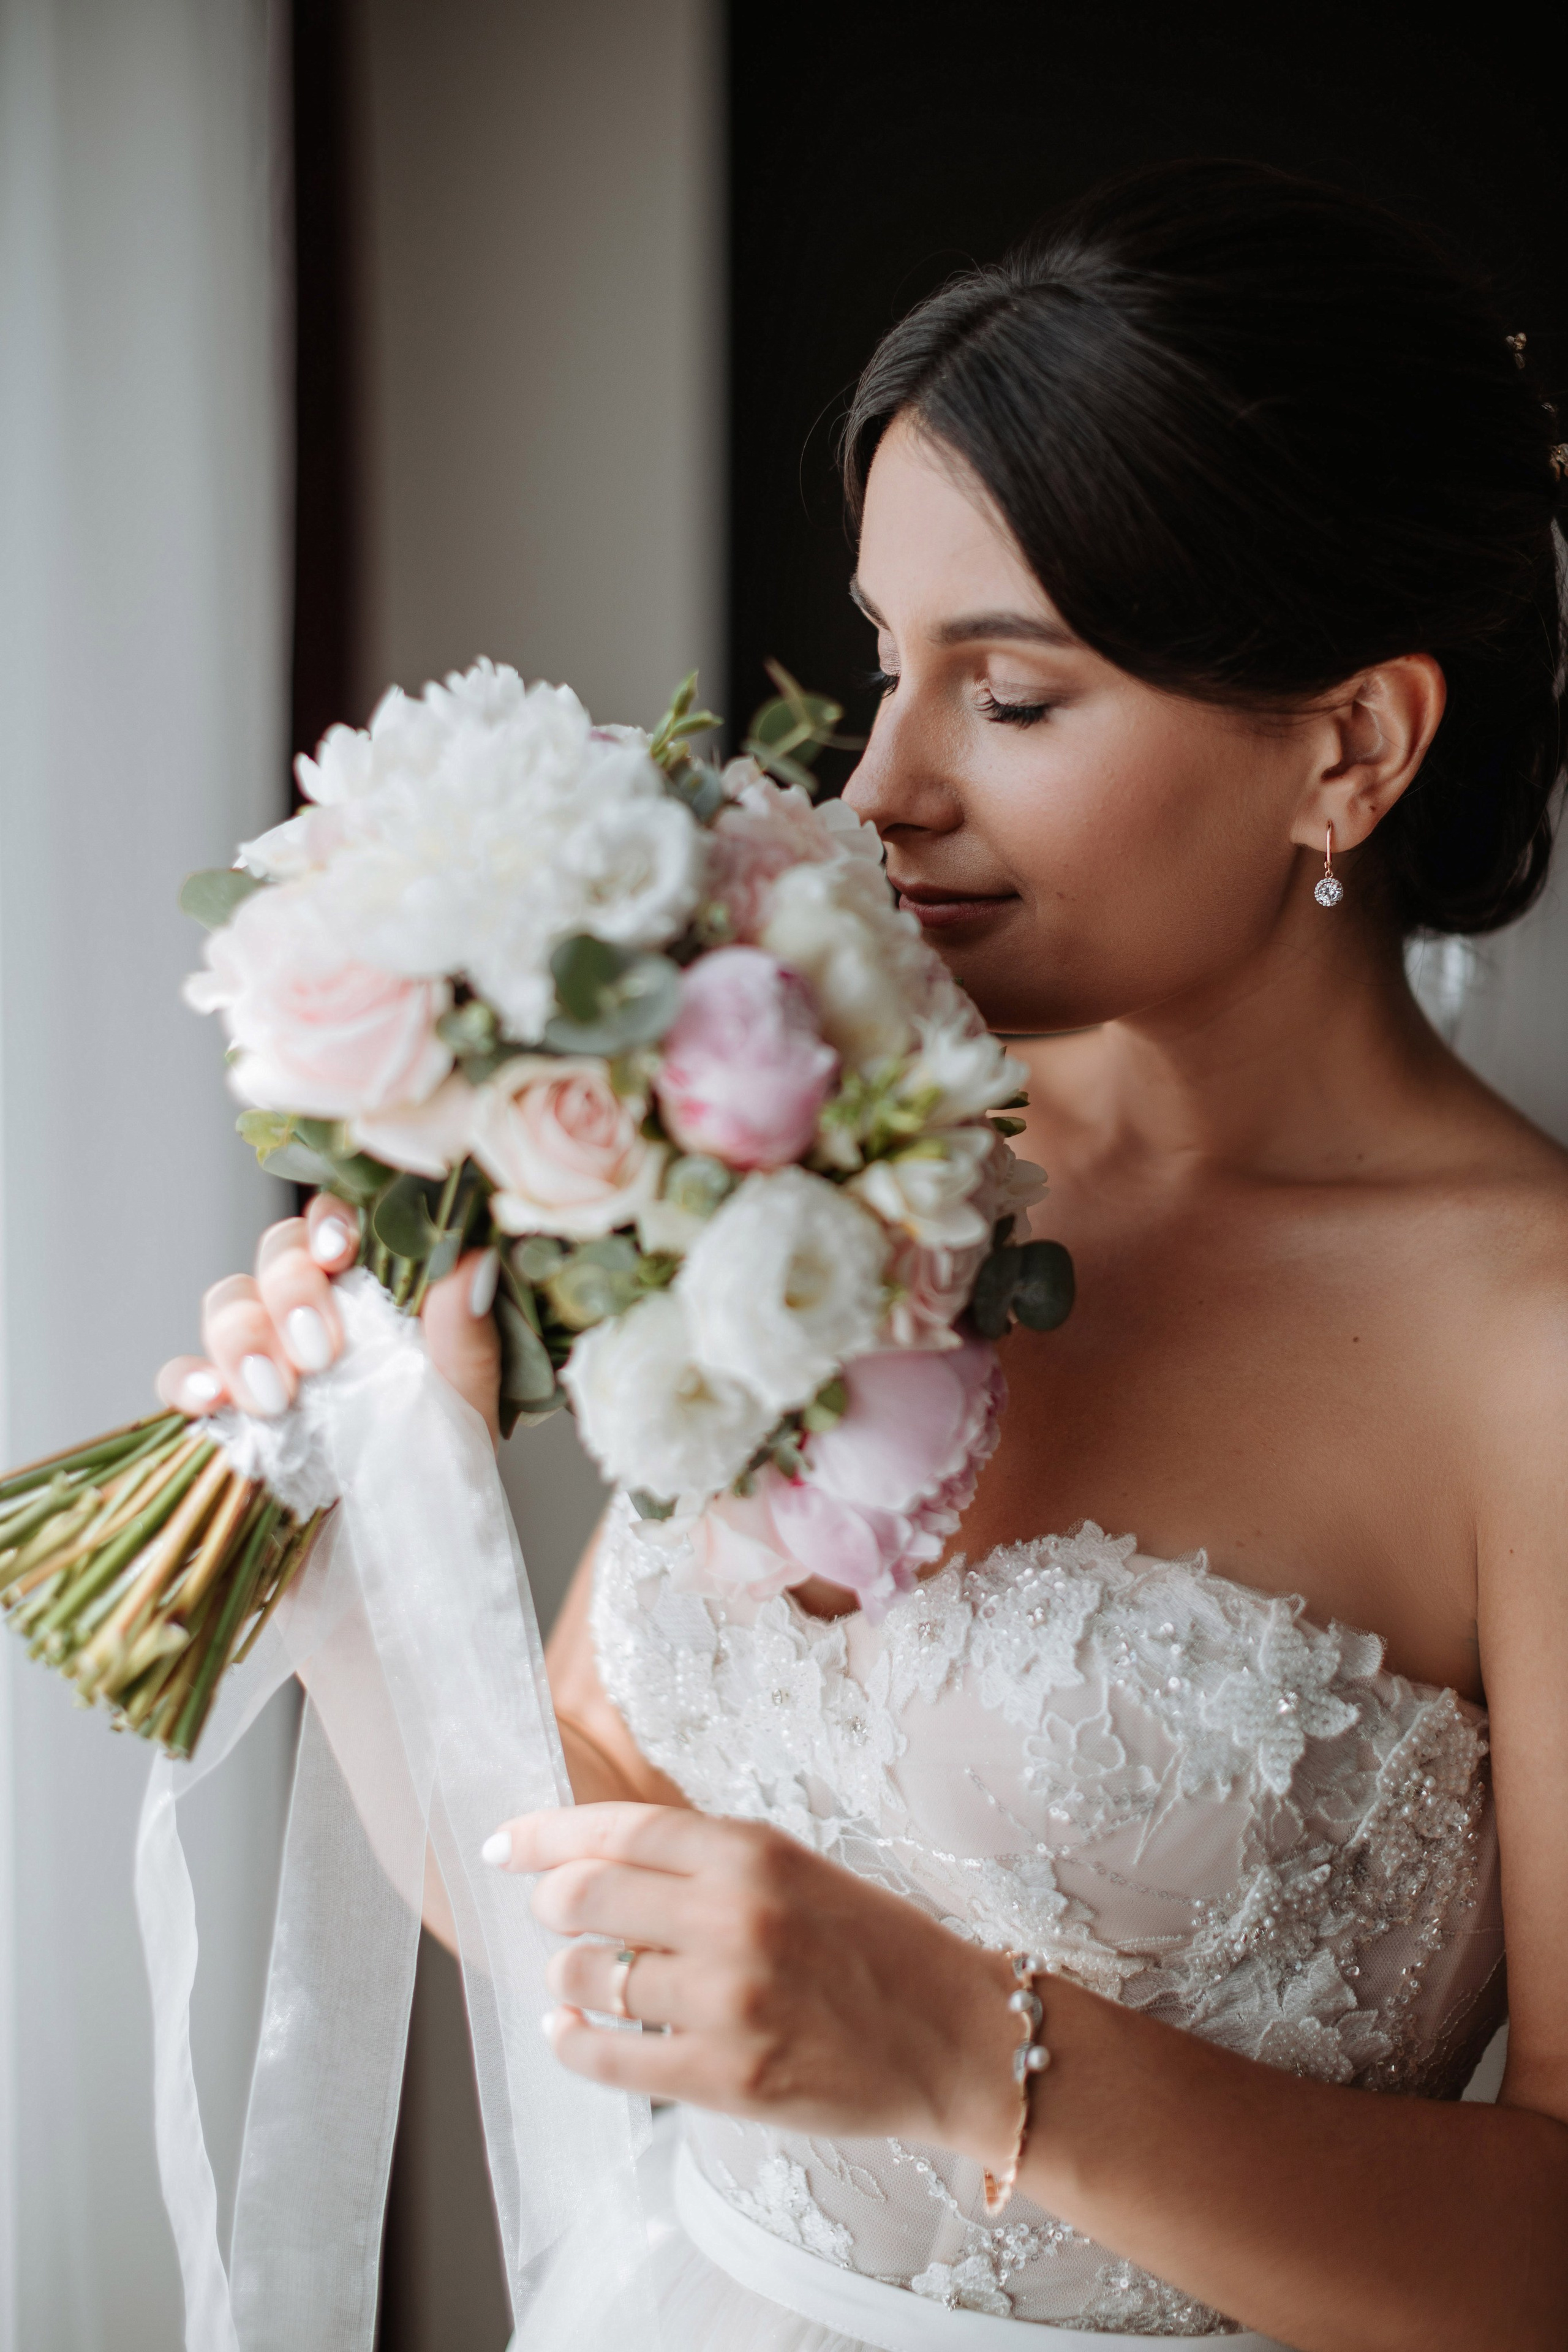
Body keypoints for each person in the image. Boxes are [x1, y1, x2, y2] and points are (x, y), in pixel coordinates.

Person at [162, 161, 1568, 2350]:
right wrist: (385, 1512)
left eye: (1010, 699)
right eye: (887, 664)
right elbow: (574, 1905)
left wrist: (960, 2050)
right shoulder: (826, 1137)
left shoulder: (1533, 1343)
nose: (886, 783)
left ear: (1352, 747)